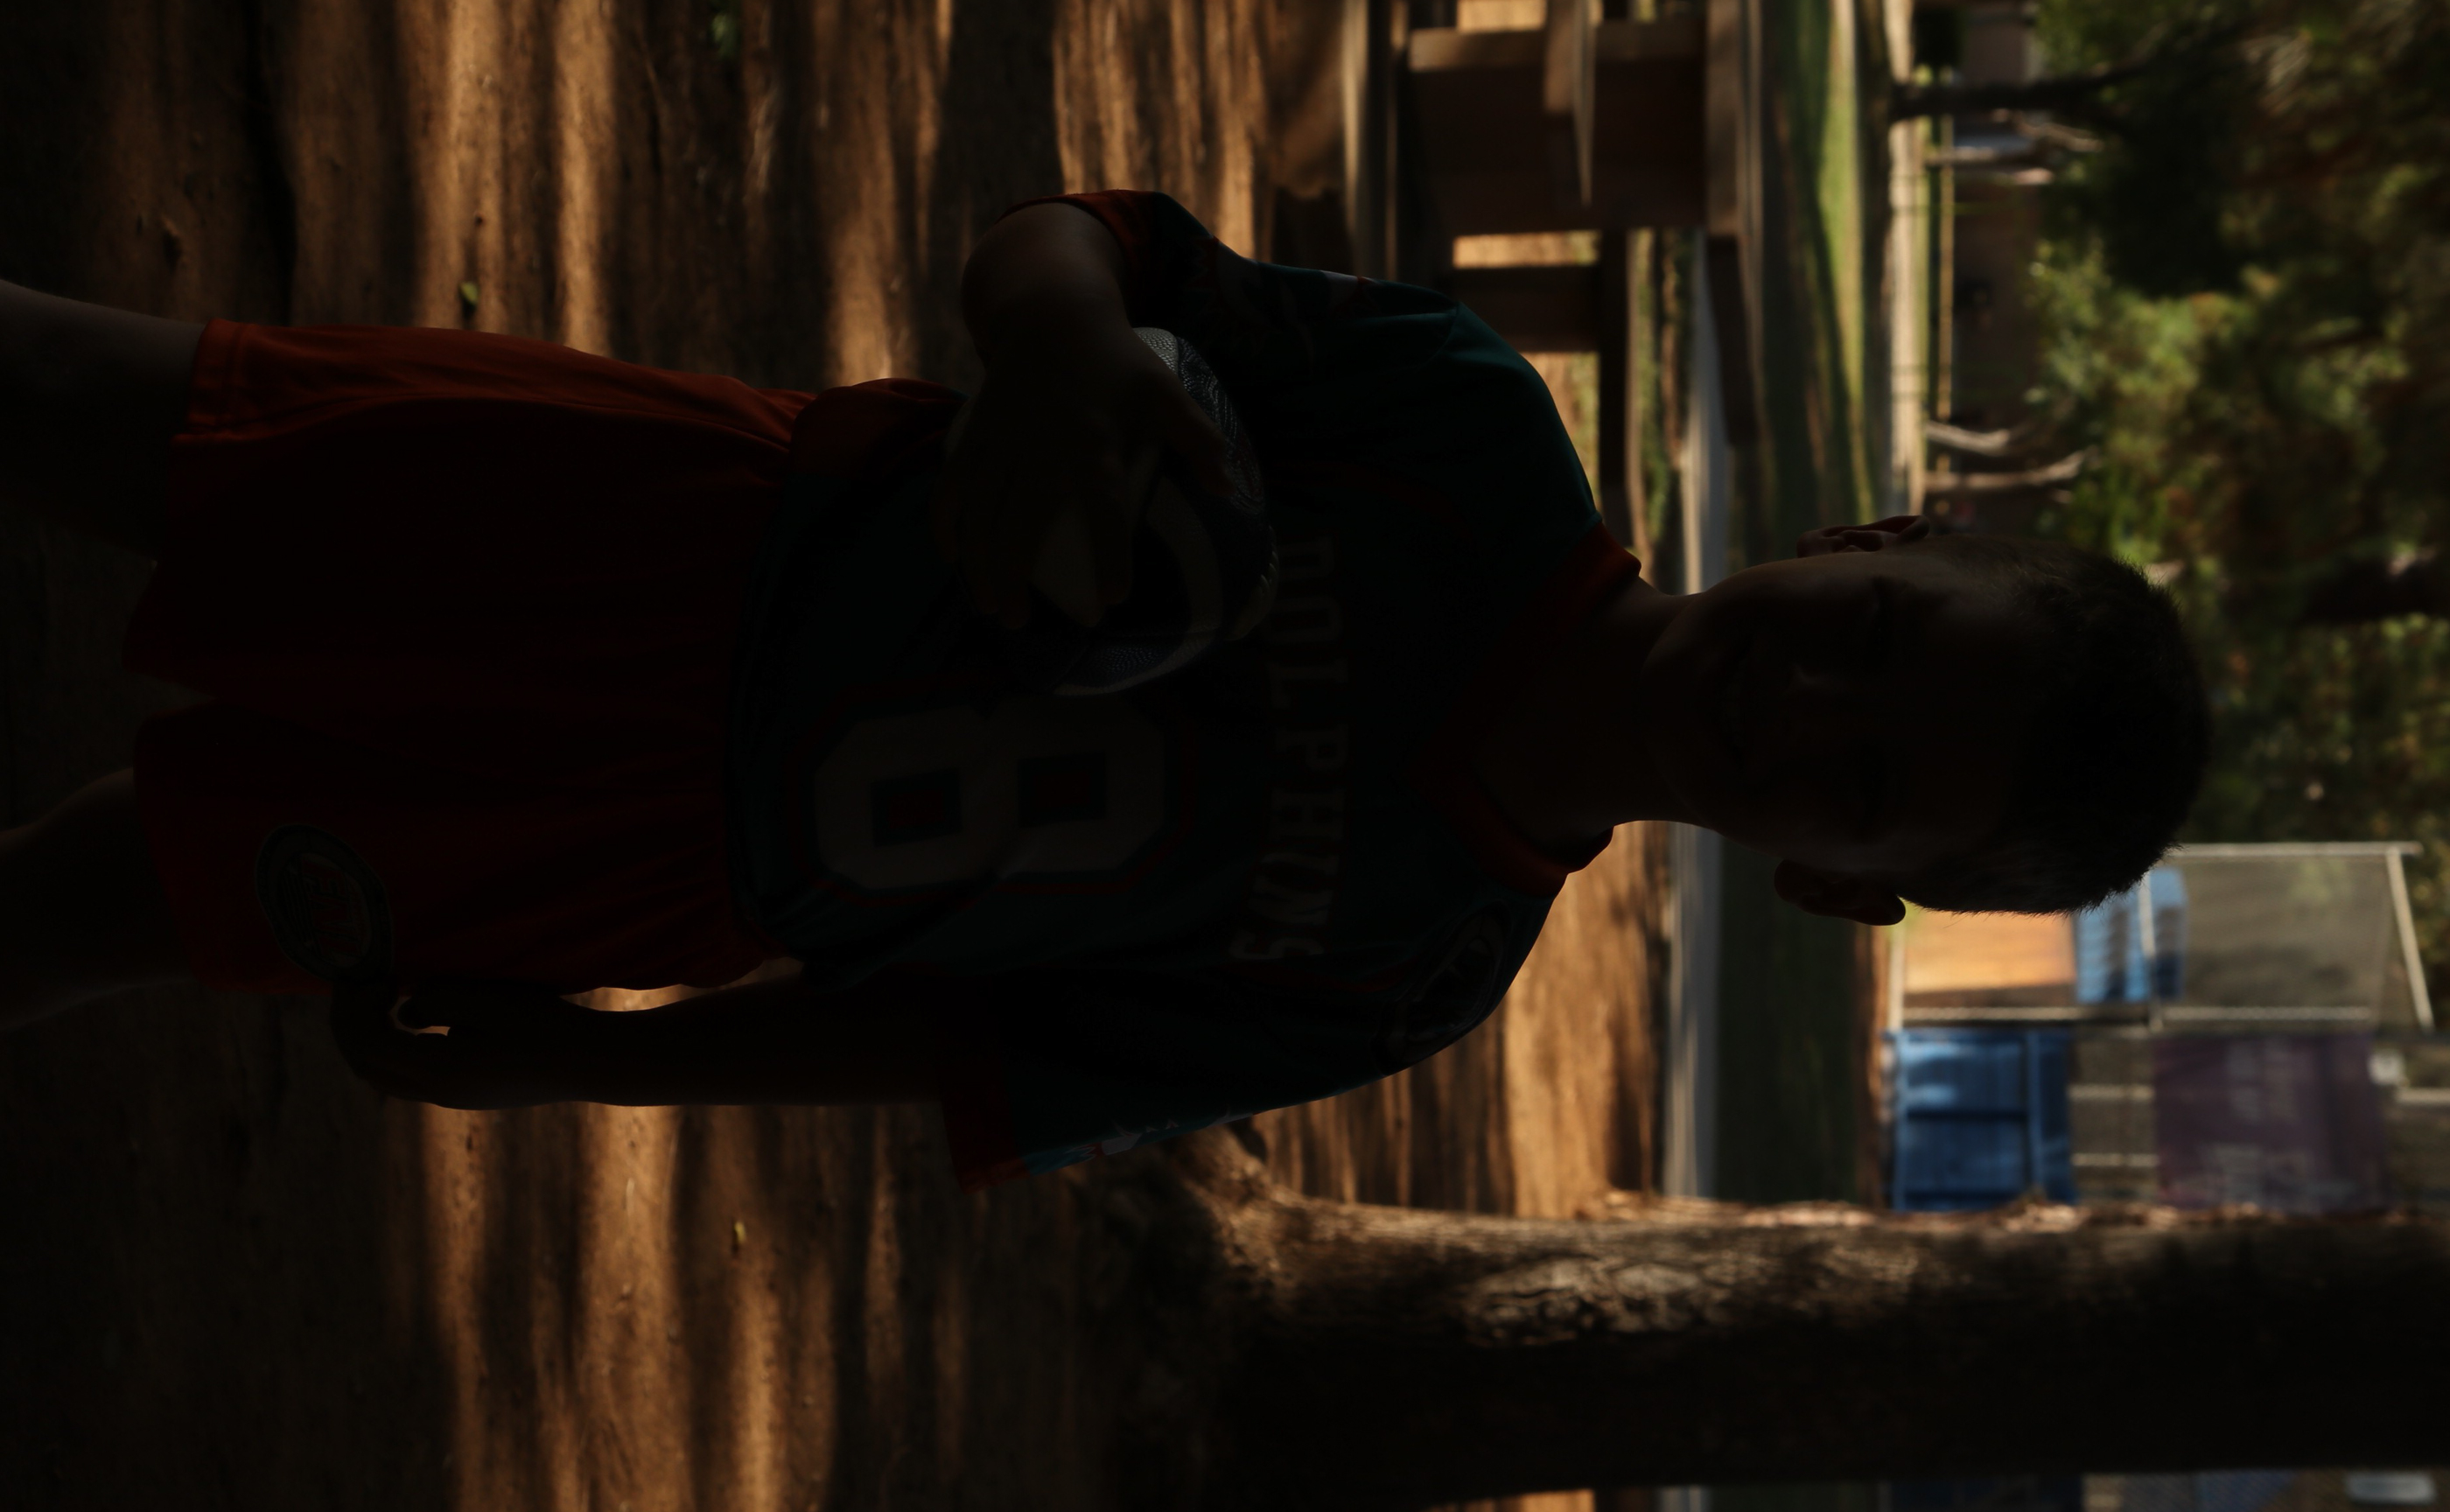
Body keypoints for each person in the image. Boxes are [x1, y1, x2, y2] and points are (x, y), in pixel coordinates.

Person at [0, 191, 2208, 1187]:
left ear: (1834, 889)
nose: (1799, 701)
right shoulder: (1461, 430)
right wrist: (1055, 342)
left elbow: (965, 1051)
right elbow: (1089, 242)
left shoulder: (1410, 974)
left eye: (1862, 779)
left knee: (106, 906)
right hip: (673, 519)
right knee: (84, 408)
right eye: (1873, 640)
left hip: (661, 863)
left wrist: (598, 1061)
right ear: (1876, 536)